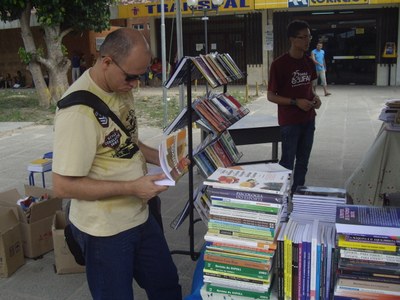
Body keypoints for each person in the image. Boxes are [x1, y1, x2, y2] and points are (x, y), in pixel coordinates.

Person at [52, 28, 182, 300]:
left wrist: (167, 159)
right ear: (107, 61)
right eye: (131, 76)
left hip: (140, 215)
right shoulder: (77, 113)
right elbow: (62, 185)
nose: (135, 84)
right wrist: (132, 187)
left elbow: (129, 144)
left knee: (167, 285)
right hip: (104, 231)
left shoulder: (119, 86)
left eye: (142, 76)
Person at [267, 20, 321, 194]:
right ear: (292, 39)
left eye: (309, 36)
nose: (307, 41)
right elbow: (270, 95)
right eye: (303, 37)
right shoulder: (279, 65)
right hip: (290, 122)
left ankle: (297, 195)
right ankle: (281, 197)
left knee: (303, 162)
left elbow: (310, 88)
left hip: (309, 120)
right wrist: (295, 101)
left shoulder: (309, 63)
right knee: (287, 162)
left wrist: (315, 98)